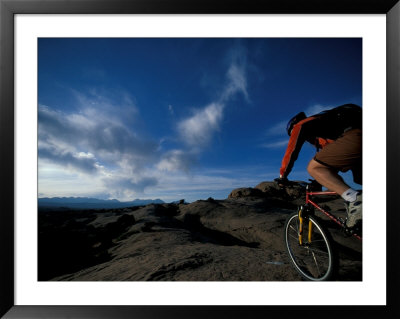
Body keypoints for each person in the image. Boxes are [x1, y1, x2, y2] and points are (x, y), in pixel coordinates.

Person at [275, 104, 362, 228]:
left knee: (313, 167)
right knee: (359, 179)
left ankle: (355, 200)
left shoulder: (301, 125)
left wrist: (283, 176)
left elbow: (291, 151)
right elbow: (331, 165)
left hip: (356, 135)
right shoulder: (325, 133)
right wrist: (319, 181)